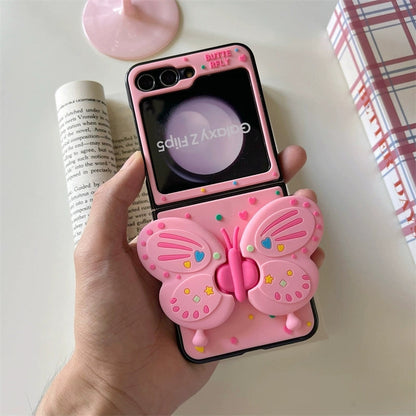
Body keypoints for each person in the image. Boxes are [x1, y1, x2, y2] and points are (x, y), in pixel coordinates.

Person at [36, 146, 324, 415]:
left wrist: (105, 387)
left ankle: (216, 325)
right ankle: (287, 312)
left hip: (202, 297)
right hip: (271, 278)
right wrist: (104, 386)